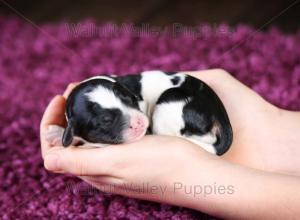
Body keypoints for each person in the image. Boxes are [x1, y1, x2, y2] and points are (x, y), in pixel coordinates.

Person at [40, 69, 300, 219]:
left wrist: (189, 175)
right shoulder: (87, 110)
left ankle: (202, 145)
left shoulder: (119, 92)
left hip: (187, 103)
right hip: (193, 111)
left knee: (163, 111)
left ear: (123, 91)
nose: (138, 122)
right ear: (75, 129)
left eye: (129, 103)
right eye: (110, 120)